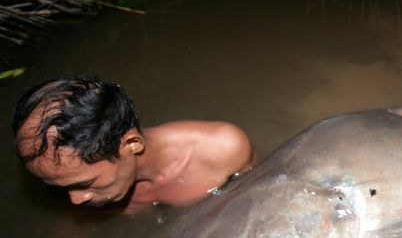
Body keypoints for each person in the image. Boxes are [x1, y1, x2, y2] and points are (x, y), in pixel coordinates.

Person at [13, 75, 256, 209]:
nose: (75, 200)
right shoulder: (68, 174)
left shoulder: (223, 149)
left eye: (85, 183)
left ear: (131, 144)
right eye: (59, 187)